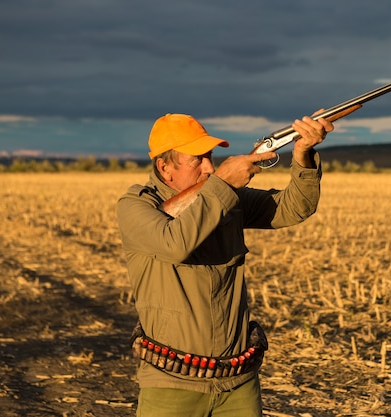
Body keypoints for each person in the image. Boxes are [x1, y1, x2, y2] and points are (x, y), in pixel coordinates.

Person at [116, 112, 334, 417]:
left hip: (238, 383)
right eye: (197, 159)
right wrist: (221, 184)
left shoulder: (225, 196)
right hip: (170, 386)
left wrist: (303, 154)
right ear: (164, 167)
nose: (209, 166)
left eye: (210, 156)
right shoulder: (137, 206)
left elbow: (294, 208)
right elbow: (175, 244)